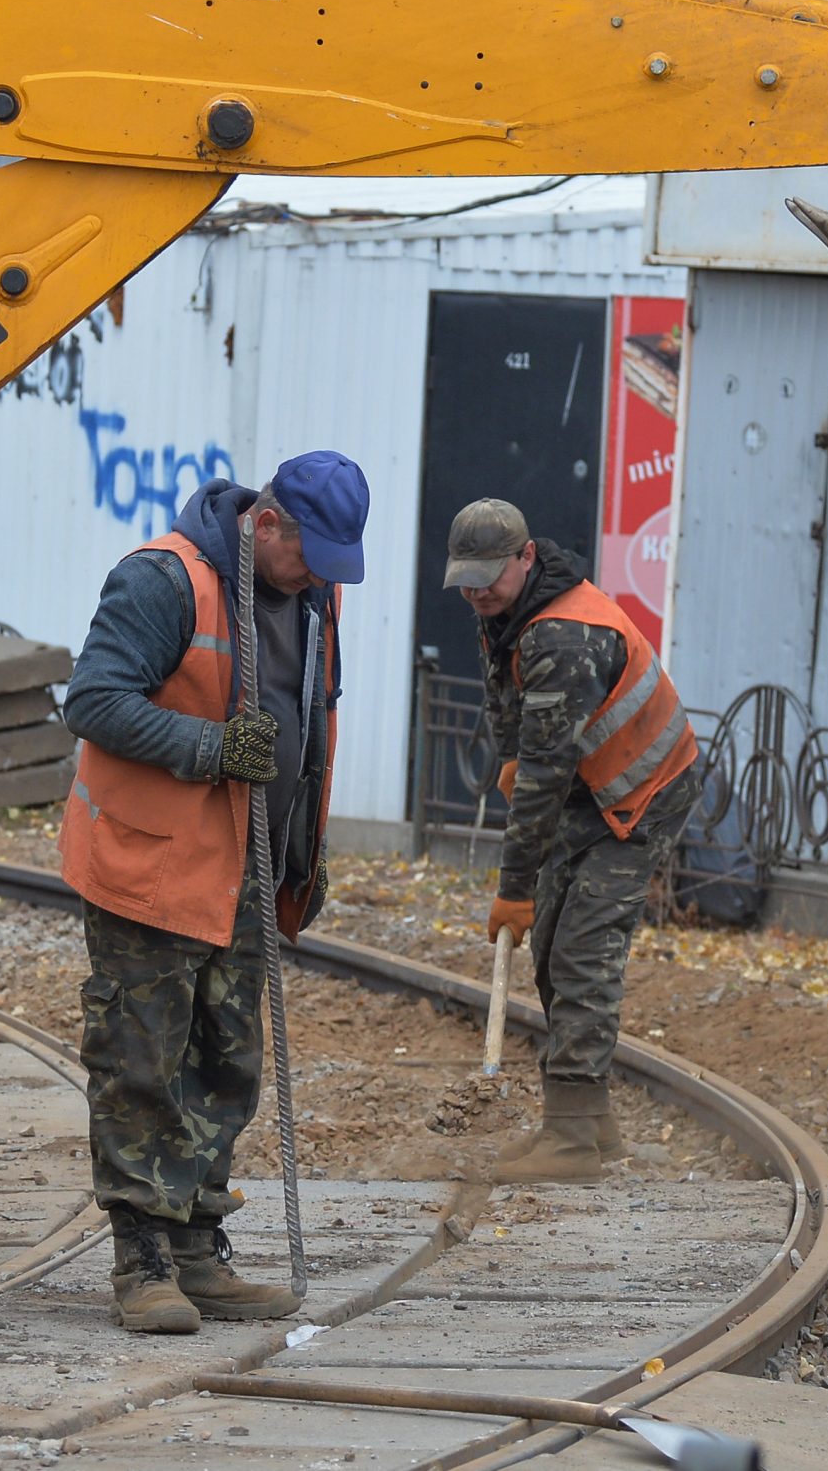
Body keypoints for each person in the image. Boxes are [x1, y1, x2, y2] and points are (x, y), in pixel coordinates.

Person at [58, 452, 368, 1333]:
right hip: (150, 868)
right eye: (312, 555)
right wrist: (212, 747)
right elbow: (93, 700)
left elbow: (311, 716)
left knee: (226, 1065)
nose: (321, 579)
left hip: (249, 870)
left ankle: (196, 1245)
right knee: (140, 1061)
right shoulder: (165, 581)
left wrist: (304, 843)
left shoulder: (315, 595)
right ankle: (142, 1259)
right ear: (267, 524)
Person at [443, 498, 699, 1183]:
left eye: (488, 576)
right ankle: (588, 1123)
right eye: (465, 578)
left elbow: (545, 780)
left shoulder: (563, 636)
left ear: (527, 559)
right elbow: (513, 717)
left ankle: (572, 1139)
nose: (475, 591)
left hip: (640, 796)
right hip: (588, 787)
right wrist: (509, 755)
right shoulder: (504, 612)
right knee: (554, 944)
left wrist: (513, 890)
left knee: (584, 949)